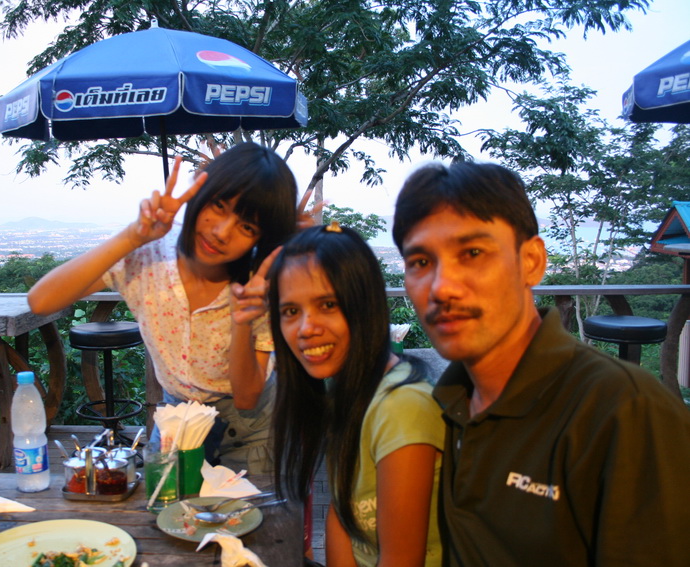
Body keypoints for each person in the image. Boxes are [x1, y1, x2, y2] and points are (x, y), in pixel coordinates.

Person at [392, 161, 690, 566]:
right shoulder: (455, 399)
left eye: (473, 253)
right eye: (420, 263)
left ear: (532, 261)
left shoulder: (625, 411)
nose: (442, 287)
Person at [28, 142, 298, 473]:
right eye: (218, 205)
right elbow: (41, 301)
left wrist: (242, 319)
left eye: (247, 227)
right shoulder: (149, 255)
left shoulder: (260, 285)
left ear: (261, 239)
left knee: (245, 508)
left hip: (251, 428)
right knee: (164, 501)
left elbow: (246, 398)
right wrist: (133, 236)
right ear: (199, 189)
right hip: (178, 414)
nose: (221, 232)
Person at [267, 224, 444, 567]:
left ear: (365, 305)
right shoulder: (346, 390)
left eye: (328, 304)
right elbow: (343, 514)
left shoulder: (402, 408)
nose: (306, 328)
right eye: (290, 311)